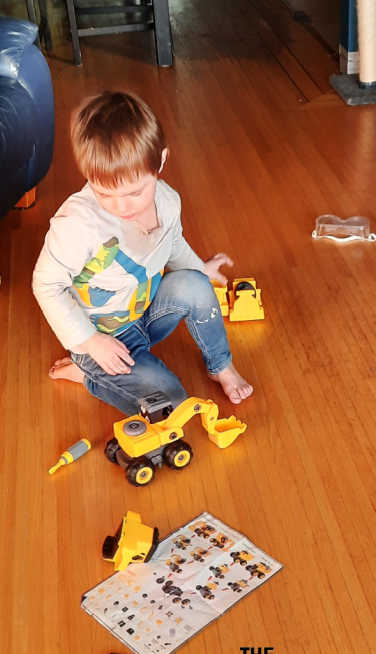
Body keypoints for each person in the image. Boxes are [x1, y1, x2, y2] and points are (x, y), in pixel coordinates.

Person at [32, 91, 253, 415]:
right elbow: (46, 285)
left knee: (194, 284)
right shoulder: (77, 224)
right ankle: (89, 374)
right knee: (171, 404)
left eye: (135, 192)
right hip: (100, 337)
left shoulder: (167, 201)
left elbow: (171, 240)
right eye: (105, 193)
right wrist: (91, 342)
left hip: (145, 313)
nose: (122, 207)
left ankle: (220, 366)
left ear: (160, 162)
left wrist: (199, 270)